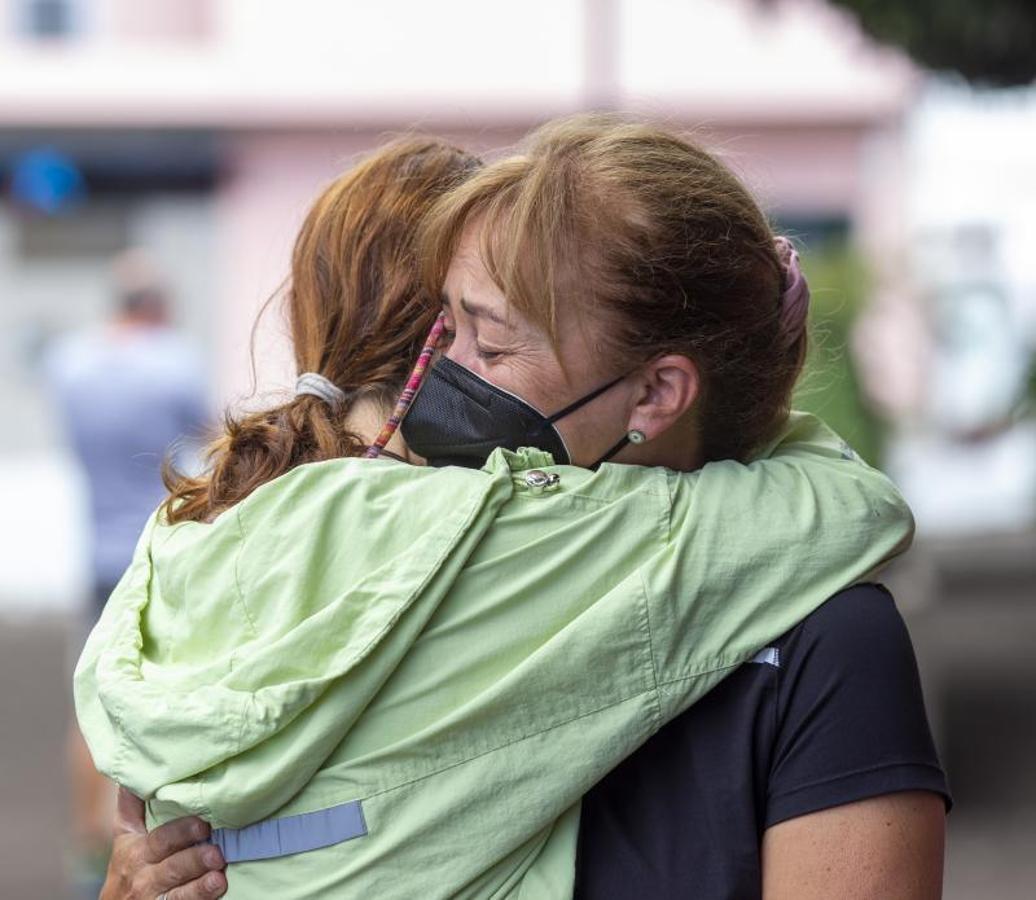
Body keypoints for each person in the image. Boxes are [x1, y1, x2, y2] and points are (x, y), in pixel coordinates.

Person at [79, 120, 919, 899]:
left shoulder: (826, 644)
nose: (439, 375)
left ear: (657, 392)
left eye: (490, 341)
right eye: (443, 330)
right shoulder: (433, 559)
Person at [45, 252, 208, 896]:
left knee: (86, 711)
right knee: (153, 706)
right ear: (160, 306)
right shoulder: (176, 362)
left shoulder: (71, 363)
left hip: (93, 553)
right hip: (157, 555)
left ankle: (90, 860)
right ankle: (140, 845)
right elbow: (210, 441)